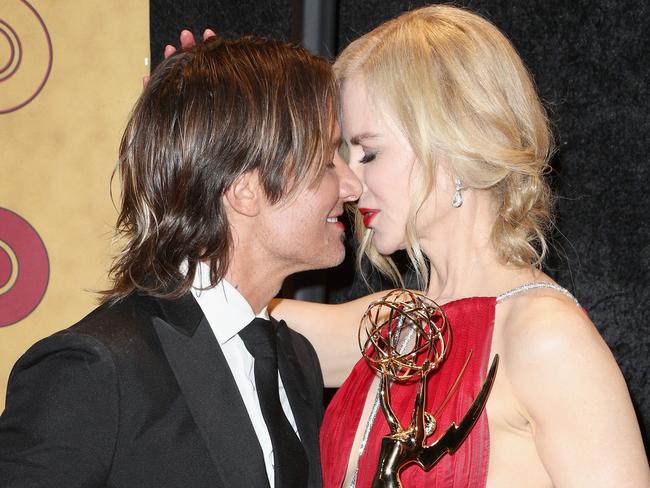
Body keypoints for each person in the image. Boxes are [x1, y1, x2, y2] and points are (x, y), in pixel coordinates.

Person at [270, 5, 650, 487]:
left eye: (369, 152)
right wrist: (212, 151)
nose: (349, 181)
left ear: (451, 145)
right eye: (346, 155)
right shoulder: (396, 324)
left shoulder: (546, 338)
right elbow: (231, 315)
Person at [0, 35, 361, 487]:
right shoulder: (94, 370)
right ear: (245, 188)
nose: (351, 186)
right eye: (328, 159)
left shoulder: (295, 362)